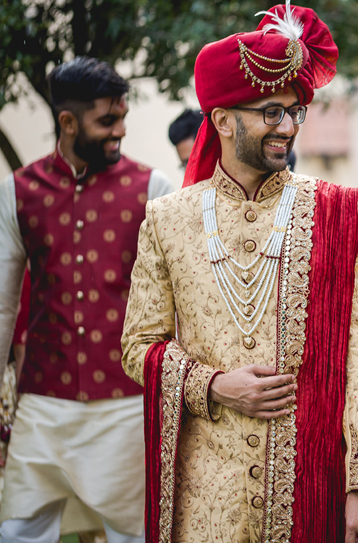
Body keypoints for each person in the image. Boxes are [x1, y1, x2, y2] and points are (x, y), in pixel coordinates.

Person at [121, 4, 358, 542]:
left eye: (294, 111)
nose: (287, 126)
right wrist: (216, 386)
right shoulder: (168, 219)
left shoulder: (337, 211)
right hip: (204, 494)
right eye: (270, 111)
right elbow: (138, 345)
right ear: (222, 119)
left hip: (309, 480)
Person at [0, 57, 174, 542]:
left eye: (122, 118)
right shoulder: (17, 192)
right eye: (106, 121)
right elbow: (2, 305)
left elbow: (178, 304)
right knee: (15, 531)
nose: (119, 131)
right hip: (42, 402)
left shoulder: (154, 190)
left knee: (134, 535)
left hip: (126, 404)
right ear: (68, 122)